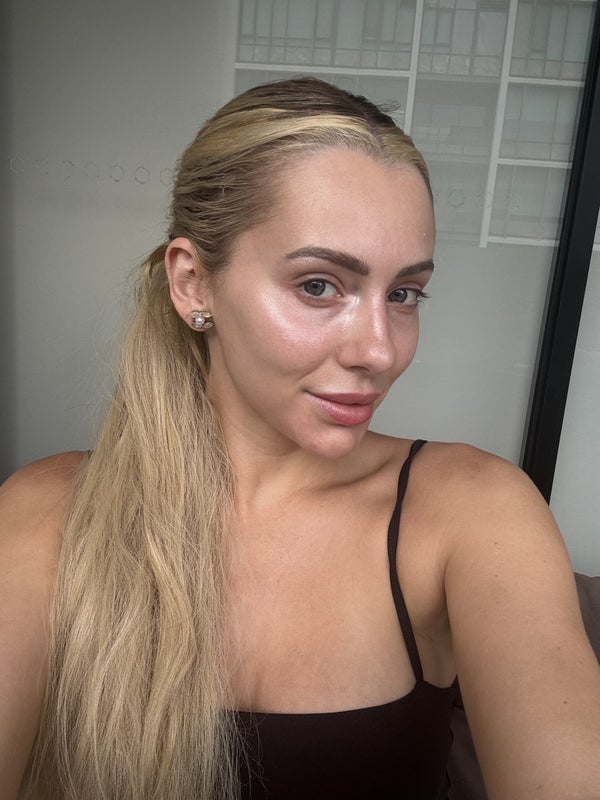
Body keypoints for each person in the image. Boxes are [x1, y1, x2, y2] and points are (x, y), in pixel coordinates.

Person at [1, 77, 599, 800]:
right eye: (319, 285)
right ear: (192, 283)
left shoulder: (470, 513)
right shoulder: (48, 516)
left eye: (404, 294)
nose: (379, 350)